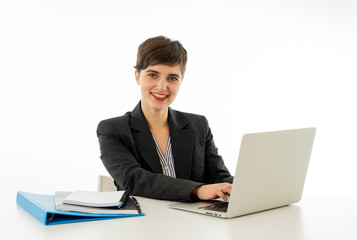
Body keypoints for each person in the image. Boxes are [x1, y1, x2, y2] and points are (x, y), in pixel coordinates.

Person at [97, 36, 233, 202]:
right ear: (137, 76)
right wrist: (197, 190)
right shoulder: (113, 130)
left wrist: (248, 186)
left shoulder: (198, 125)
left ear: (181, 81)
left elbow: (220, 177)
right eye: (153, 75)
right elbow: (134, 180)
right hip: (140, 223)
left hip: (194, 223)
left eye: (172, 78)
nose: (162, 87)